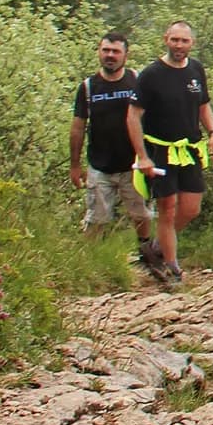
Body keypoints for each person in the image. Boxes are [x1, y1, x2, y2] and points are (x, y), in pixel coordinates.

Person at [127, 20, 213, 284]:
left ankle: (156, 248)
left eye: (184, 41)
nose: (179, 46)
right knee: (167, 208)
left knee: (191, 207)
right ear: (166, 39)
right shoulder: (151, 74)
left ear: (192, 43)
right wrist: (143, 155)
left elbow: (204, 105)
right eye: (175, 40)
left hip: (189, 149)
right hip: (159, 149)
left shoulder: (195, 69)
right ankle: (172, 267)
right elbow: (133, 116)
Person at [69, 30, 158, 269]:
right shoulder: (88, 87)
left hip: (134, 164)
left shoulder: (137, 81)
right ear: (99, 52)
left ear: (125, 55)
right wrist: (75, 165)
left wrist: (151, 156)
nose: (110, 55)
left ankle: (145, 254)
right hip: (100, 165)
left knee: (141, 214)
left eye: (115, 51)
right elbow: (78, 127)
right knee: (97, 218)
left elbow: (153, 118)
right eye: (106, 50)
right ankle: (88, 264)